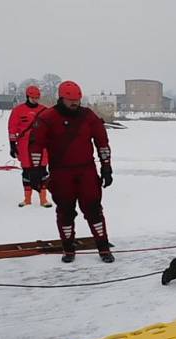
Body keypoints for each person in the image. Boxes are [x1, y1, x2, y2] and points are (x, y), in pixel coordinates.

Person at [29, 80, 114, 263]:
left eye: (77, 100)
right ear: (62, 98)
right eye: (71, 100)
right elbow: (36, 145)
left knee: (94, 210)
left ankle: (103, 248)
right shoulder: (47, 117)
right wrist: (35, 170)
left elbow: (102, 142)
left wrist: (106, 166)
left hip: (87, 171)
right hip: (61, 173)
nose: (75, 103)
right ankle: (68, 249)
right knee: (65, 211)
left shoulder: (88, 116)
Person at [9, 85, 51, 207]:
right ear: (28, 97)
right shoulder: (18, 110)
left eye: (37, 98)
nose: (35, 100)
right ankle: (27, 199)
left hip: (41, 144)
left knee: (43, 170)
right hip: (24, 145)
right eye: (33, 98)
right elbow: (12, 128)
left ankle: (43, 199)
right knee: (27, 171)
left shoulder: (45, 110)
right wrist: (12, 145)